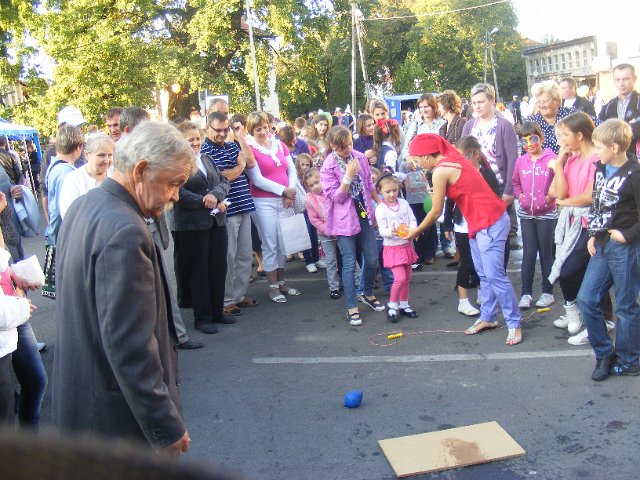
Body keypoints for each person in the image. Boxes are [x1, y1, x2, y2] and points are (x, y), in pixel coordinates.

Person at [52, 121, 192, 454]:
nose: (175, 195)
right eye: (173, 183)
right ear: (141, 170)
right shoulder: (126, 230)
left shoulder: (84, 206)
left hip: (85, 413)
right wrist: (165, 426)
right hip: (116, 427)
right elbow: (130, 346)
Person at [406, 133, 522, 345]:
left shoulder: (441, 170)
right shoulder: (453, 158)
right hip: (478, 223)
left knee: (495, 276)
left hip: (491, 222)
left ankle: (514, 323)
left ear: (427, 156)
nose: (417, 164)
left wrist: (416, 231)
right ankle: (488, 317)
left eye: (417, 159)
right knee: (483, 275)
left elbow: (436, 211)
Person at [577, 119, 640, 380]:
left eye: (600, 147)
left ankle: (629, 360)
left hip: (626, 247)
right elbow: (597, 204)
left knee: (626, 306)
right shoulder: (601, 168)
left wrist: (627, 235)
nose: (596, 151)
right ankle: (604, 353)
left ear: (615, 147)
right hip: (602, 244)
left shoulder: (635, 174)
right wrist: (593, 234)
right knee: (586, 299)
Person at [548, 112, 606, 345]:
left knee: (571, 271)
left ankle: (586, 316)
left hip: (589, 225)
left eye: (564, 135)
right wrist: (559, 164)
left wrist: (565, 203)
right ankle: (574, 310)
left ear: (580, 135)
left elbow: (590, 196)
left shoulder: (597, 159)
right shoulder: (571, 160)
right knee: (566, 268)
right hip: (570, 224)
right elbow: (559, 192)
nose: (561, 140)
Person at [172, 120, 233, 334]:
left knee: (218, 267)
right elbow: (178, 193)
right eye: (190, 140)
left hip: (217, 221)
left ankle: (217, 312)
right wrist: (205, 201)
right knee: (199, 271)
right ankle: (203, 317)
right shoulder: (176, 164)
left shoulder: (206, 158)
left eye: (197, 138)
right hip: (192, 226)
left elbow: (224, 182)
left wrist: (215, 196)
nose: (196, 143)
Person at [320, 126, 384, 326]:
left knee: (372, 258)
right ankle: (351, 307)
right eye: (343, 147)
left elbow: (369, 185)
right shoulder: (328, 166)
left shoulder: (359, 157)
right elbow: (336, 197)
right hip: (344, 219)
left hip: (363, 213)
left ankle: (367, 293)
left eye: (349, 144)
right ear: (333, 146)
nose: (348, 149)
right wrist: (347, 176)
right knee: (349, 262)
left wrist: (380, 205)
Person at [200, 111, 258, 317]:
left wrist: (240, 137)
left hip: (244, 204)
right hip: (227, 210)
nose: (223, 134)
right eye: (219, 130)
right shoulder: (205, 150)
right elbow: (219, 177)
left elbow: (250, 162)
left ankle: (239, 296)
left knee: (244, 255)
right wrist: (239, 166)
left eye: (227, 130)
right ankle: (226, 299)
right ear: (208, 128)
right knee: (228, 257)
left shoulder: (232, 145)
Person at [244, 111, 301, 303]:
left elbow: (291, 169)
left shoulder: (279, 144)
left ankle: (282, 282)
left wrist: (290, 192)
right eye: (257, 129)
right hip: (263, 202)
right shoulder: (250, 149)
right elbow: (257, 179)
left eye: (265, 127)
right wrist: (284, 190)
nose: (262, 132)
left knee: (284, 243)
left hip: (284, 199)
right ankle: (273, 287)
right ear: (251, 131)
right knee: (270, 243)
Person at [446, 136, 502, 317]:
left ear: (476, 154)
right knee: (467, 262)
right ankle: (463, 301)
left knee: (483, 262)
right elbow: (449, 200)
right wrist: (447, 224)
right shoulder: (456, 173)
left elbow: (495, 197)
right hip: (463, 225)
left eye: (465, 156)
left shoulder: (487, 173)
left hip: (482, 224)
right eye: (459, 156)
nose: (461, 160)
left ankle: (482, 293)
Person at [462, 83, 519, 252]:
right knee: (480, 228)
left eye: (481, 102)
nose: (477, 106)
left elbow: (512, 159)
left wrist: (509, 190)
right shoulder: (469, 126)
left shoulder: (504, 125)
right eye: (474, 103)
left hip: (498, 185)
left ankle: (500, 263)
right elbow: (462, 157)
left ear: (491, 101)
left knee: (500, 229)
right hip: (475, 186)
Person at [511, 122, 557, 309]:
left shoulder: (551, 158)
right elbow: (515, 183)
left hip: (547, 214)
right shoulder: (521, 161)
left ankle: (548, 292)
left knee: (546, 253)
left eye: (533, 139)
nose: (529, 144)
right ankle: (526, 293)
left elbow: (559, 179)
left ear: (541, 138)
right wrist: (521, 197)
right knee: (529, 254)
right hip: (526, 214)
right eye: (525, 141)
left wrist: (549, 198)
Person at [42, 125, 83, 299]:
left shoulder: (55, 167)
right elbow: (65, 212)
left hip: (58, 237)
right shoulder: (65, 172)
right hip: (64, 240)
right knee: (72, 295)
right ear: (78, 147)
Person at [374, 173, 418, 322]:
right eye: (388, 191)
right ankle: (393, 305)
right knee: (400, 278)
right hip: (393, 248)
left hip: (406, 246)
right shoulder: (381, 208)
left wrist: (413, 230)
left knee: (407, 278)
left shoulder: (403, 203)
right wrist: (391, 232)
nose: (392, 194)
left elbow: (412, 219)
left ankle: (404, 304)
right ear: (380, 191)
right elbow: (382, 230)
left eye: (395, 190)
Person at [304, 168, 341, 299]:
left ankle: (357, 282)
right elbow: (314, 220)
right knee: (330, 260)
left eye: (317, 182)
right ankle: (334, 287)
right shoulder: (310, 199)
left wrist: (339, 227)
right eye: (311, 185)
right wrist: (328, 230)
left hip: (341, 230)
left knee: (347, 257)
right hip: (325, 234)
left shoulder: (332, 191)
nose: (315, 186)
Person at [59, 133, 114, 219]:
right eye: (101, 155)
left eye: (110, 155)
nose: (107, 160)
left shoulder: (116, 175)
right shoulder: (73, 180)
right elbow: (69, 217)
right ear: (87, 155)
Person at [598, 63, 640, 156]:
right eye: (618, 79)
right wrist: (630, 125)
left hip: (635, 157)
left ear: (634, 79)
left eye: (626, 79)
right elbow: (600, 131)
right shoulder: (608, 107)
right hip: (614, 158)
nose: (621, 84)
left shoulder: (638, 102)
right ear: (613, 81)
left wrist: (613, 131)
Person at [525, 80, 575, 154]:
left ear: (556, 101)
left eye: (545, 101)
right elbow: (525, 151)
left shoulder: (571, 116)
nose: (541, 105)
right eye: (539, 102)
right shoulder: (532, 122)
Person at [293, 153, 323, 272]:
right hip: (303, 210)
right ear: (298, 165)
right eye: (303, 165)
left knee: (315, 235)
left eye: (307, 165)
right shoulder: (295, 179)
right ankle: (309, 261)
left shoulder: (312, 177)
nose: (305, 167)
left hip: (314, 209)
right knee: (306, 235)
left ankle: (316, 258)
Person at [400, 93, 446, 161]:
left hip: (439, 162)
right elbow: (406, 148)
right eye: (421, 107)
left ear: (434, 106)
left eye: (426, 106)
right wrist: (408, 158)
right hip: (420, 163)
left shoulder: (443, 123)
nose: (423, 110)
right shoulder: (415, 125)